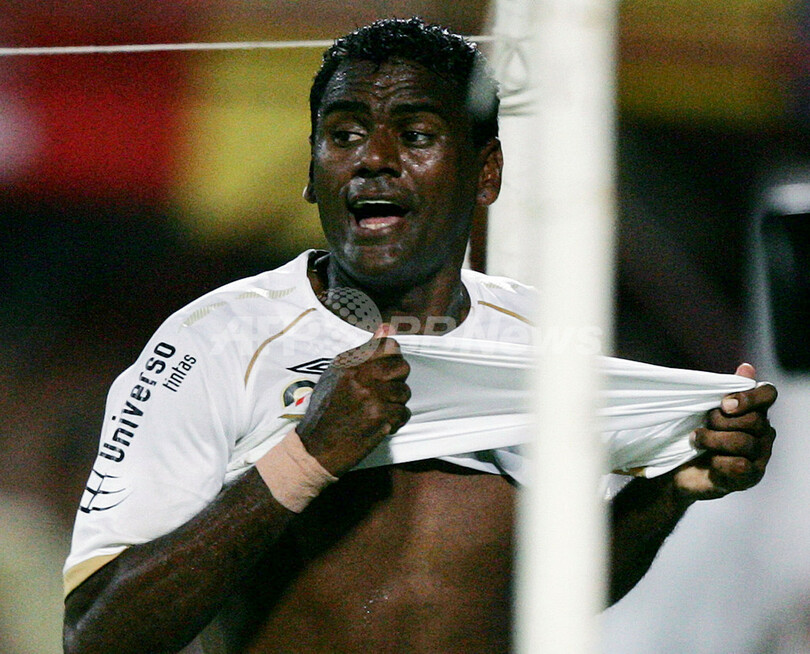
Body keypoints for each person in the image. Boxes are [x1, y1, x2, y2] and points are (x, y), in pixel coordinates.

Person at [62, 17, 778, 654]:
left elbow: (556, 590)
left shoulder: (545, 343)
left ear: (486, 173)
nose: (373, 158)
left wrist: (677, 488)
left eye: (416, 135)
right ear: (312, 171)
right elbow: (96, 635)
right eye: (344, 134)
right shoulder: (212, 344)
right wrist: (305, 458)